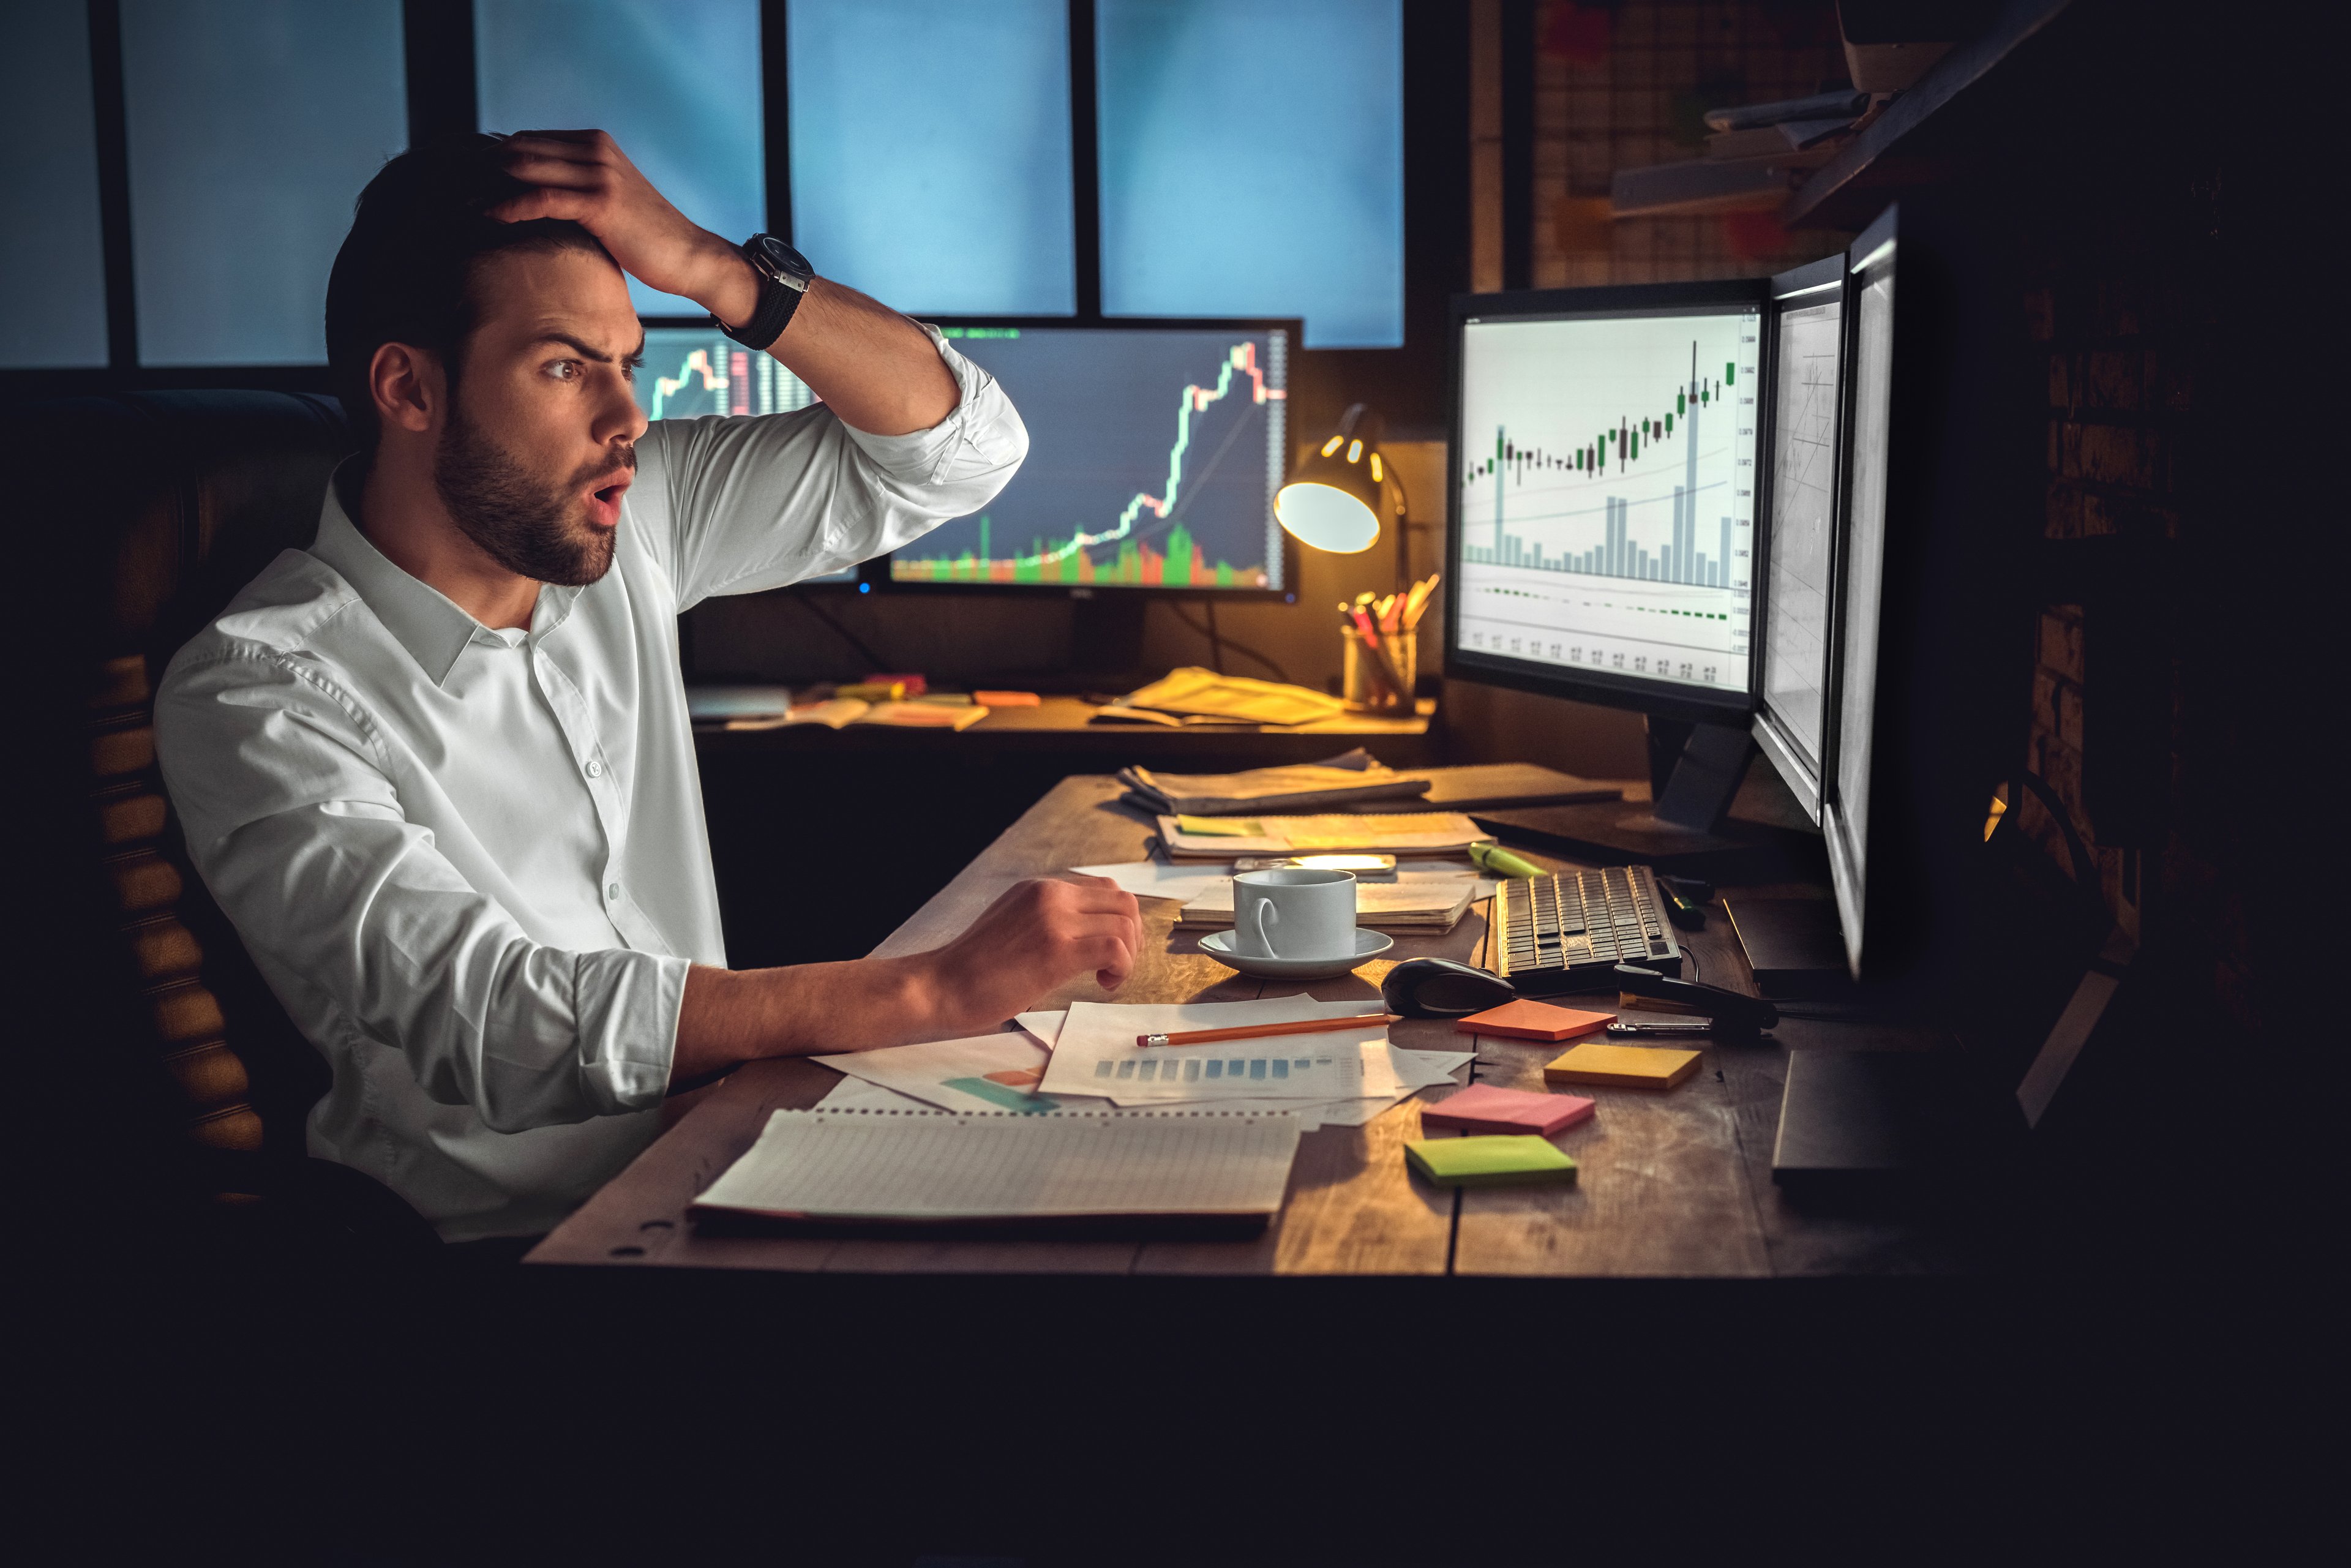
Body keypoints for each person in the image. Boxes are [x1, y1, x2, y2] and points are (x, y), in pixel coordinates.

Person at [155, 131, 1141, 1242]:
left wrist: (723, 272)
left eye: (629, 362)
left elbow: (968, 452)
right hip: (522, 1255)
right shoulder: (256, 691)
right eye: (568, 366)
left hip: (732, 1163)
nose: (626, 419)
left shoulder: (635, 515)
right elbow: (489, 1014)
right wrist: (925, 990)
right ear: (409, 387)